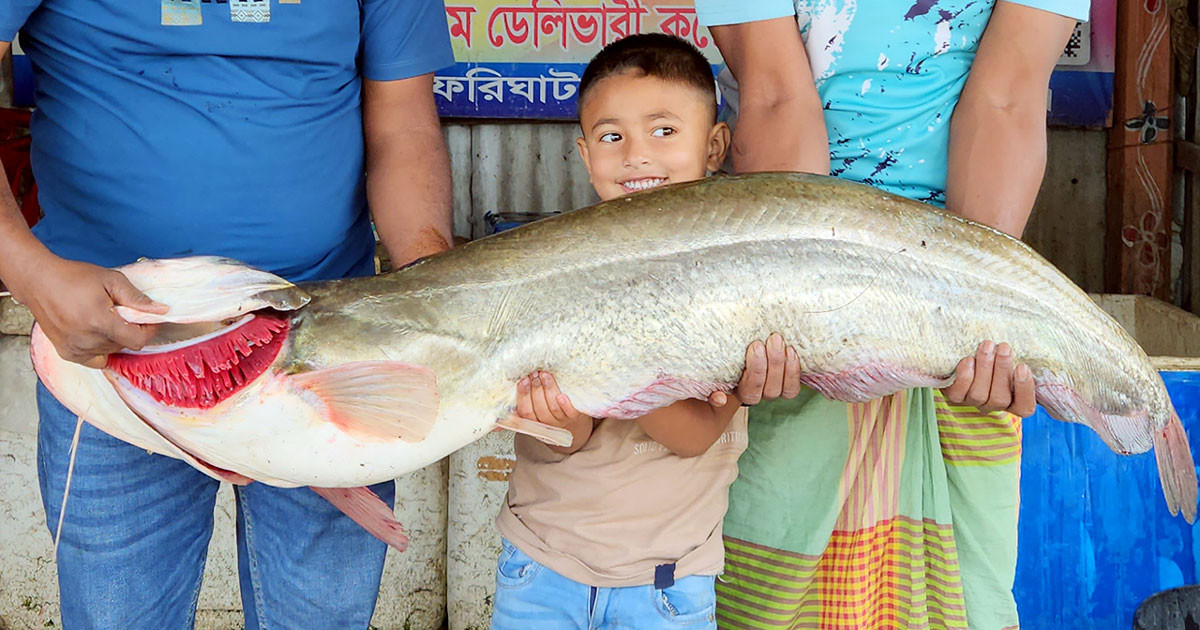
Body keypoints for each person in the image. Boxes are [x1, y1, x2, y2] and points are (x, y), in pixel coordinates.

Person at [0, 3, 454, 628]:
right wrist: (29, 272)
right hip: (111, 347)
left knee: (322, 617)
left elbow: (402, 122)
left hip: (323, 338)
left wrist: (433, 299)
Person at [691, 1, 1086, 628]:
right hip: (791, 269)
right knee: (770, 589)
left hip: (963, 266)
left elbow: (1007, 100)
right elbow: (773, 97)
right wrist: (800, 316)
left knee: (964, 598)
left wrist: (970, 320)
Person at [489, 33, 743, 630]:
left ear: (713, 146)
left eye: (663, 131)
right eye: (611, 137)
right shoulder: (552, 267)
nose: (636, 155)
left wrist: (615, 360)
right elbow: (547, 441)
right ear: (584, 153)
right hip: (541, 568)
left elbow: (694, 435)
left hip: (667, 583)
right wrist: (563, 417)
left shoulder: (736, 276)